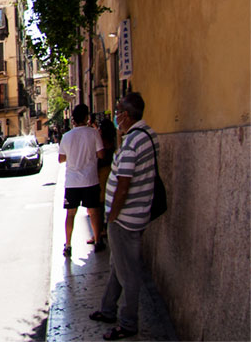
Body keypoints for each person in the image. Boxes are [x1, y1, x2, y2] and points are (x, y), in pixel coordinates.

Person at [89, 92, 160, 341]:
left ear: (126, 115)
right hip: (137, 214)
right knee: (117, 266)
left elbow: (123, 185)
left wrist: (112, 215)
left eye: (118, 111)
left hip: (125, 219)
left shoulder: (131, 144)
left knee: (128, 273)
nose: (116, 116)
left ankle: (128, 323)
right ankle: (108, 308)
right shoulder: (148, 135)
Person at [58, 103, 105, 257]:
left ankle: (68, 245)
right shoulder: (93, 133)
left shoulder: (66, 136)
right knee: (93, 211)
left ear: (73, 119)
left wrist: (73, 155)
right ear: (86, 117)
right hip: (90, 179)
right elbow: (101, 155)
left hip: (72, 182)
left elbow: (61, 159)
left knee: (70, 214)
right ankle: (98, 241)